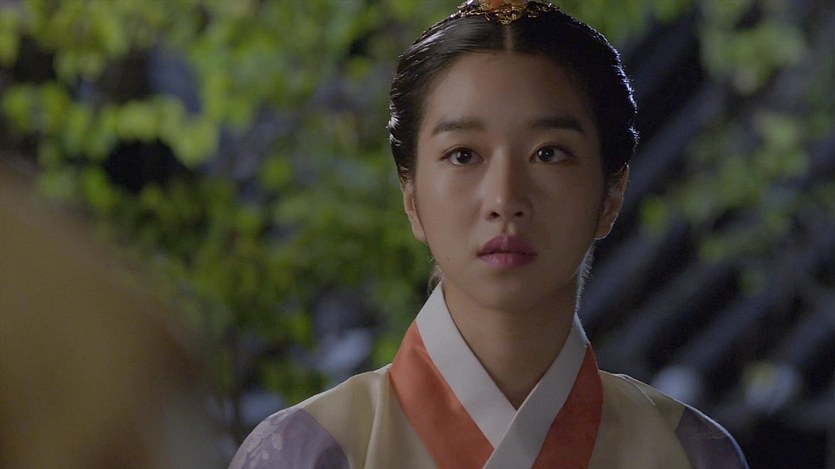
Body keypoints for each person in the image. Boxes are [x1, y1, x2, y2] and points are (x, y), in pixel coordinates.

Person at [229, 1, 749, 467]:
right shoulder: (310, 452)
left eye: (548, 153)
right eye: (463, 155)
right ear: (410, 194)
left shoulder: (687, 453)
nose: (504, 198)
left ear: (612, 194)